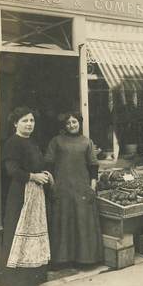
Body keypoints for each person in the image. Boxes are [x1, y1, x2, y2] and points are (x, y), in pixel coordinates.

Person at [0, 106, 52, 286]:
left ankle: (30, 282)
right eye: (25, 121)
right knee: (19, 234)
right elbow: (12, 170)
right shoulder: (12, 143)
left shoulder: (32, 142)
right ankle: (16, 285)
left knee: (34, 234)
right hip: (20, 193)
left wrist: (44, 174)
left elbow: (38, 164)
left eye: (31, 121)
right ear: (15, 123)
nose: (29, 124)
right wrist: (33, 177)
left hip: (35, 193)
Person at [44, 111, 103, 267]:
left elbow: (93, 166)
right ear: (64, 125)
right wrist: (52, 184)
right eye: (68, 123)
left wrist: (92, 186)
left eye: (74, 122)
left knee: (82, 223)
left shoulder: (86, 142)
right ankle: (61, 260)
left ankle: (85, 260)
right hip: (62, 188)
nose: (71, 125)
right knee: (62, 223)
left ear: (79, 123)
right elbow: (48, 164)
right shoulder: (56, 141)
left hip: (82, 188)